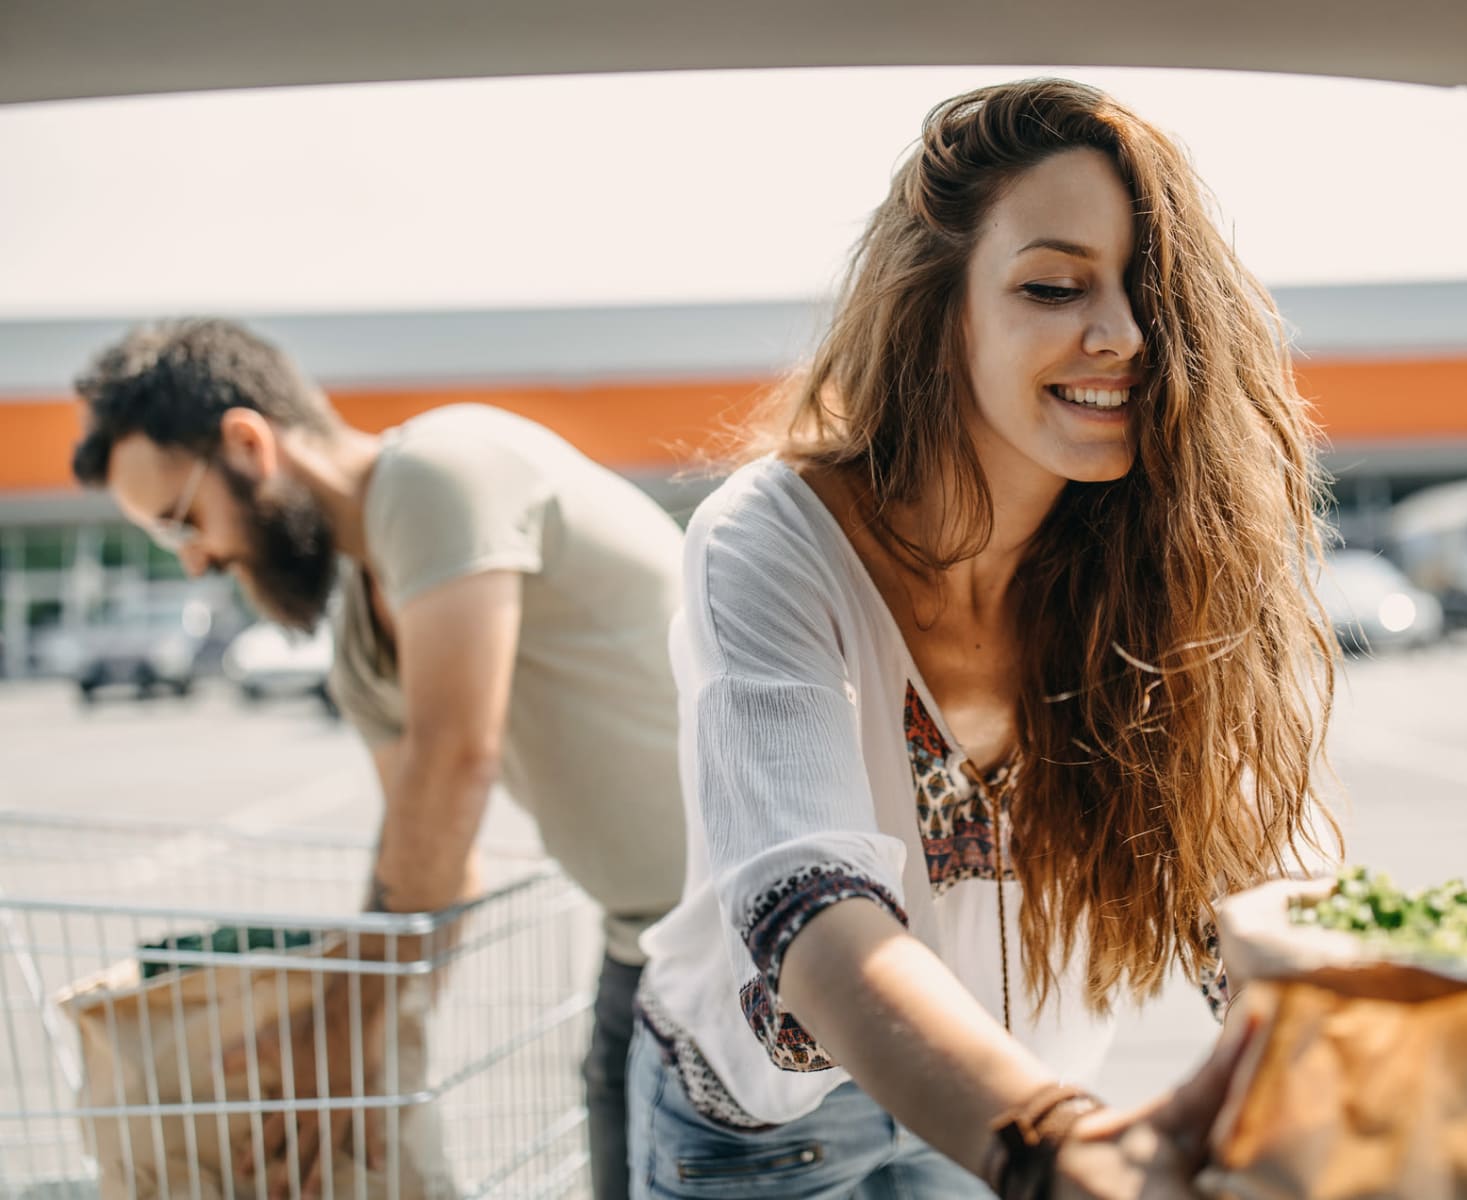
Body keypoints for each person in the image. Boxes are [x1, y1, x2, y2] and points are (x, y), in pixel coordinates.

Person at [627, 78, 1338, 1199]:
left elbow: (1248, 888)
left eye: (1148, 293)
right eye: (1054, 286)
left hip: (1014, 1105)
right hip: (771, 1135)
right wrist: (1055, 1144)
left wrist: (1365, 1058)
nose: (1123, 335)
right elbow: (806, 915)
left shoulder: (1157, 563)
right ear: (939, 305)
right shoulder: (769, 538)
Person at [69, 320, 687, 1200]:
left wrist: (336, 1039)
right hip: (646, 961)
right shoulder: (361, 649)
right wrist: (362, 1076)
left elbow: (453, 766)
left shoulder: (439, 474)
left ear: (249, 443)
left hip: (771, 945)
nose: (198, 560)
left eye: (182, 523)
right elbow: (435, 863)